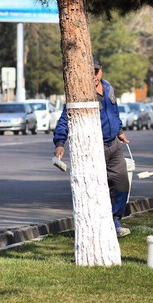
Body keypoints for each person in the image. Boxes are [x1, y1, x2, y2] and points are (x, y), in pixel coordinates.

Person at [53, 54, 131, 237]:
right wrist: (59, 143)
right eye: (90, 72)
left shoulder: (109, 88)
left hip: (115, 146)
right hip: (96, 149)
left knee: (122, 184)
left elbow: (114, 113)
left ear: (101, 70)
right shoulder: (81, 94)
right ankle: (102, 226)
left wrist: (119, 131)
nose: (94, 75)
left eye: (96, 71)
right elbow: (65, 119)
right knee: (99, 189)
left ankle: (114, 220)